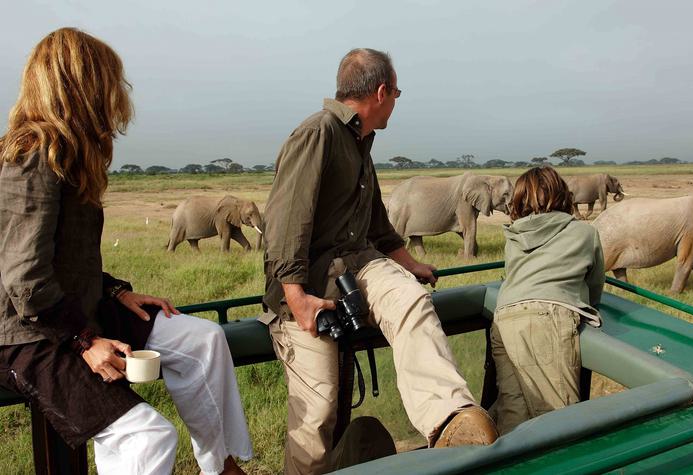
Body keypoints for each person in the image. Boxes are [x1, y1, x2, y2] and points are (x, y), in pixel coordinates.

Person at [0, 28, 253, 474]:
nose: (118, 95)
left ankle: (222, 467)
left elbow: (64, 260)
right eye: (109, 82)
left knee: (205, 341)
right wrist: (85, 342)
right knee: (149, 439)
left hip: (78, 307)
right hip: (32, 334)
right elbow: (25, 280)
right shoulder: (31, 155)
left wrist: (114, 292)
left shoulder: (68, 154)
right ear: (81, 85)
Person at [262, 48, 498, 474]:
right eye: (397, 94)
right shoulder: (318, 133)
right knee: (317, 414)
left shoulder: (361, 145)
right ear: (382, 91)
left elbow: (378, 227)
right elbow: (285, 220)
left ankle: (448, 418)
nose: (395, 103)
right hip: (311, 283)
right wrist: (295, 299)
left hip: (359, 265)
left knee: (411, 301)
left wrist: (410, 264)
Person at [490, 166, 605, 435]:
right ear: (563, 195)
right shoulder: (585, 233)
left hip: (504, 318)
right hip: (547, 319)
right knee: (558, 416)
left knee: (513, 409)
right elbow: (595, 284)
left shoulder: (513, 235)